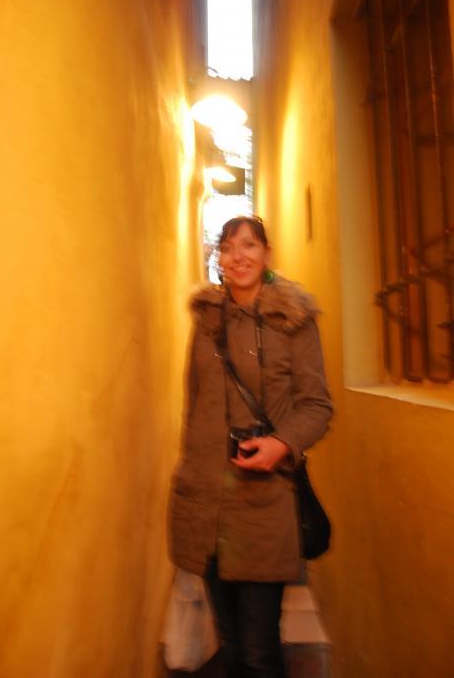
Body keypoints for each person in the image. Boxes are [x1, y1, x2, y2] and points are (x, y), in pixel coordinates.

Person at [168, 215, 332, 677]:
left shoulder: (293, 321)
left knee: (260, 652)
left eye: (249, 245)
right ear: (218, 257)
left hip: (262, 503)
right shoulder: (206, 320)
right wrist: (189, 470)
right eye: (227, 247)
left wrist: (281, 444)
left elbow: (317, 406)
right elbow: (193, 403)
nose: (238, 256)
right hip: (206, 505)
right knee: (231, 642)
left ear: (267, 254)